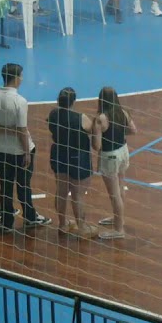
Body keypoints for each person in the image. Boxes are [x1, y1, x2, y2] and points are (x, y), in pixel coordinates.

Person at [0, 63, 50, 232]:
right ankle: (30, 217)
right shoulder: (20, 102)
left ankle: (7, 222)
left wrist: (4, 130)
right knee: (23, 185)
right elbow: (21, 129)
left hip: (0, 150)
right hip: (19, 151)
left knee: (6, 186)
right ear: (16, 78)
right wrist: (27, 153)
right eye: (21, 76)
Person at [92, 86, 136, 240]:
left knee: (114, 194)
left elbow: (96, 146)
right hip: (123, 151)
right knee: (120, 187)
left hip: (110, 156)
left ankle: (119, 229)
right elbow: (133, 130)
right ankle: (119, 218)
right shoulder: (123, 112)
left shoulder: (100, 119)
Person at [48, 87, 93, 235]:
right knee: (77, 194)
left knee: (61, 191)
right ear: (73, 101)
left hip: (59, 154)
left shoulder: (53, 114)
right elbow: (93, 129)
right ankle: (82, 227)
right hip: (77, 157)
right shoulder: (80, 118)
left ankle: (62, 224)